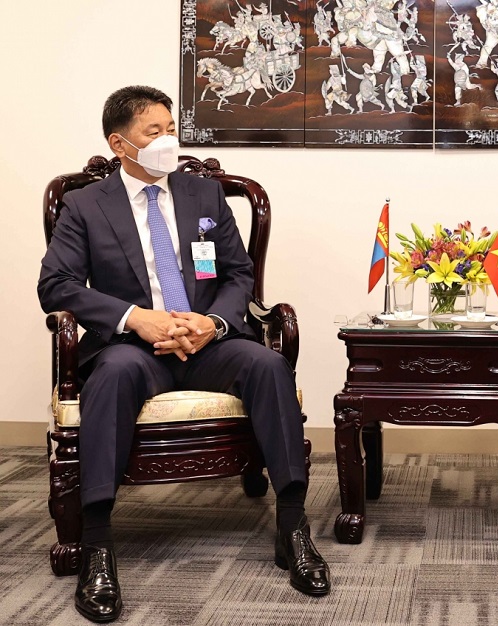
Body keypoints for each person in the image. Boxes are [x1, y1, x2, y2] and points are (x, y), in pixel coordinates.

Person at [38, 86, 331, 623]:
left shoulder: (203, 195)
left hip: (207, 342)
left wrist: (212, 323)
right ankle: (97, 546)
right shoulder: (85, 205)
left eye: (171, 128)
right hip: (132, 347)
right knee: (111, 377)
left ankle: (293, 528)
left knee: (269, 365)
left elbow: (237, 273)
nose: (167, 141)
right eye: (153, 132)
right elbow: (56, 285)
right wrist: (135, 317)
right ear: (119, 144)